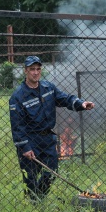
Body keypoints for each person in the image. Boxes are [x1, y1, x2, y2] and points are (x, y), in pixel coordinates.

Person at [9, 56, 95, 203]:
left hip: (47, 138)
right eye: (32, 70)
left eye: (38, 69)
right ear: (25, 71)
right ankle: (33, 203)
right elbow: (17, 126)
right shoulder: (18, 97)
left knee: (52, 171)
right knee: (30, 176)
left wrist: (80, 104)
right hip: (30, 140)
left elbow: (65, 99)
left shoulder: (48, 88)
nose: (35, 73)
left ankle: (39, 199)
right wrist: (25, 147)